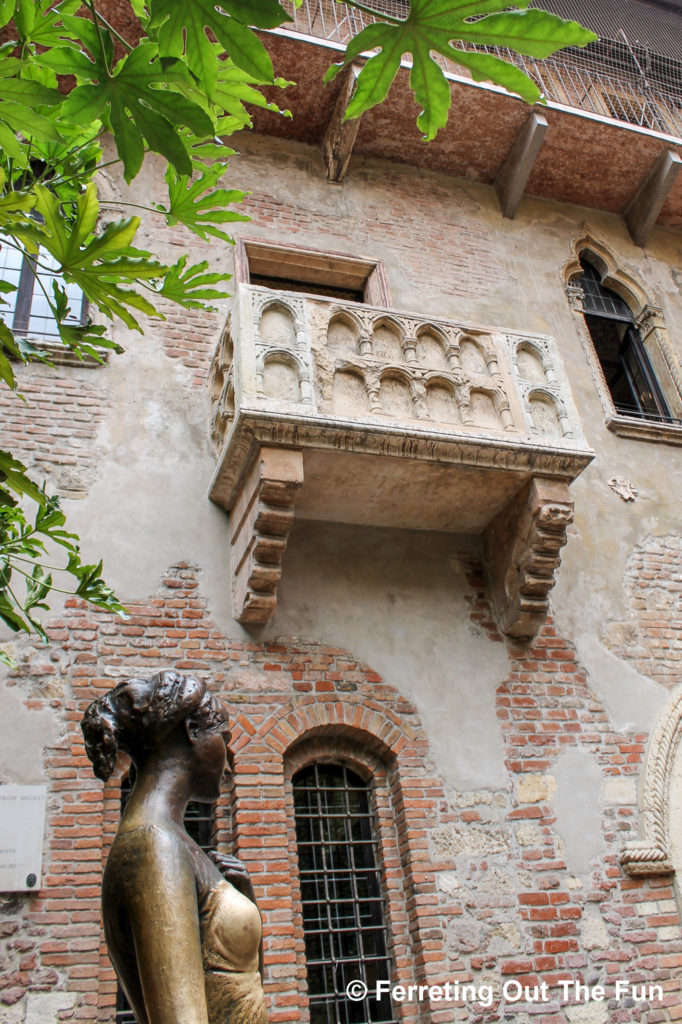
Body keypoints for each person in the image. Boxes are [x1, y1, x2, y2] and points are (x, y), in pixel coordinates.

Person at [81, 670, 267, 1024]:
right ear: (193, 733)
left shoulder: (172, 840)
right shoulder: (154, 843)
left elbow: (241, 983)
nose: (228, 765)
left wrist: (242, 898)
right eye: (223, 740)